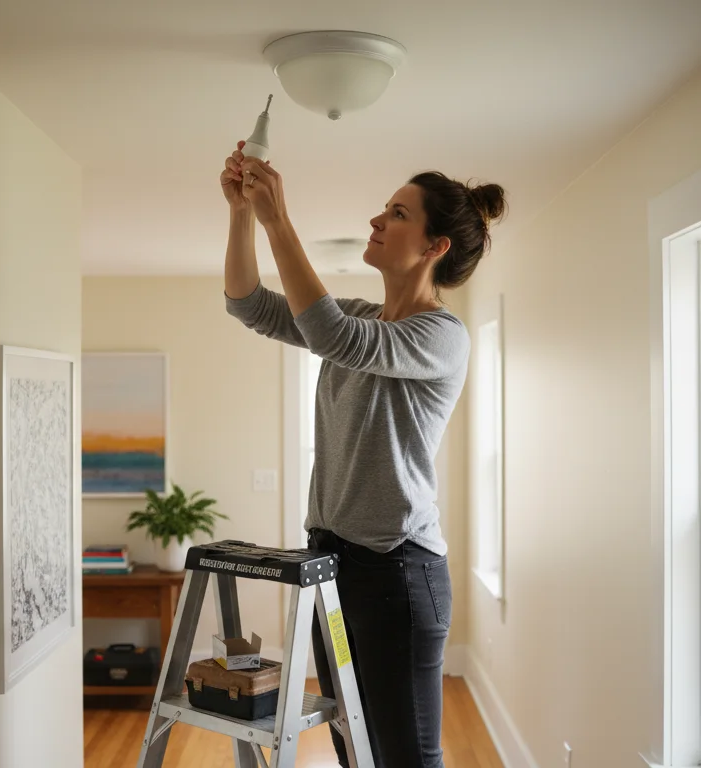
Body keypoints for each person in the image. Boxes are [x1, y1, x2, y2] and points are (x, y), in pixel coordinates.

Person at [220, 139, 505, 768]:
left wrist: (279, 221)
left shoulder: (441, 336)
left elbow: (330, 334)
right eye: (384, 208)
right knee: (354, 742)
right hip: (331, 560)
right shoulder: (363, 318)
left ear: (436, 248)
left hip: (397, 574)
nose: (377, 220)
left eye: (398, 214)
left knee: (404, 756)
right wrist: (243, 213)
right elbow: (247, 303)